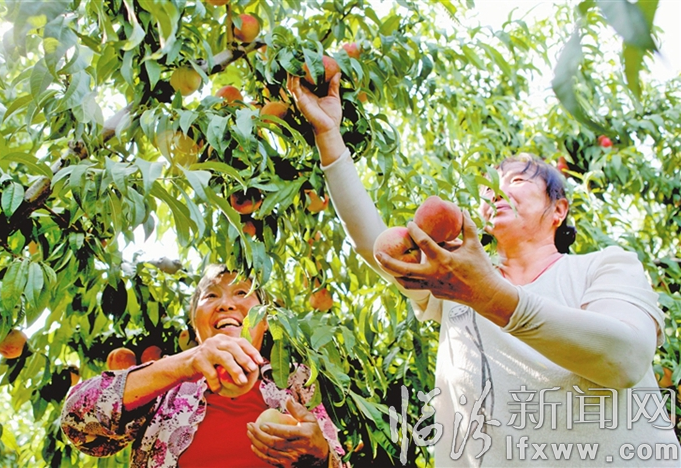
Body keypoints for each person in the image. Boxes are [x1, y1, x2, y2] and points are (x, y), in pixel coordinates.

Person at [288, 73, 681, 466]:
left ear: (558, 209)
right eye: (491, 184)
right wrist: (328, 134)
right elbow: (377, 247)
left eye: (518, 179)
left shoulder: (603, 266)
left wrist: (490, 296)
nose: (498, 189)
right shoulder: (454, 284)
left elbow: (625, 358)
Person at [61, 264, 345, 468]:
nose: (226, 304)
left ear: (266, 321)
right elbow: (76, 422)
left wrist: (320, 457)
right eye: (211, 296)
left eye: (242, 292)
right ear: (194, 324)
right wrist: (185, 363)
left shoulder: (296, 379)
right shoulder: (166, 385)